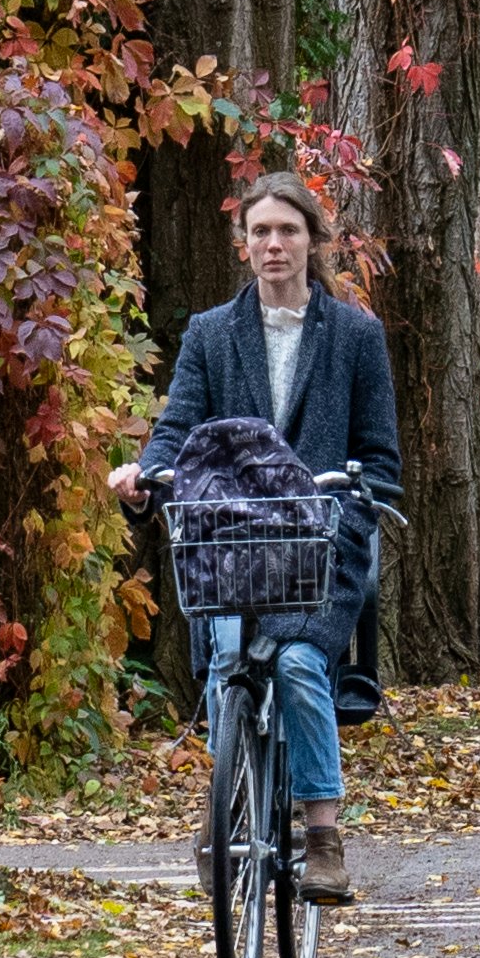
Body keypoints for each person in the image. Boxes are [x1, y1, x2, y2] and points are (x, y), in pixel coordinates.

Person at [109, 172, 400, 900]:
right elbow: (179, 428)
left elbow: (382, 456)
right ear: (244, 246)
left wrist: (359, 502)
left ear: (312, 242)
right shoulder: (212, 333)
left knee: (300, 664)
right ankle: (227, 805)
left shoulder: (357, 336)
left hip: (317, 548)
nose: (274, 244)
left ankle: (324, 833)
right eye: (261, 232)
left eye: (288, 230)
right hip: (231, 544)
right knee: (227, 659)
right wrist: (147, 474)